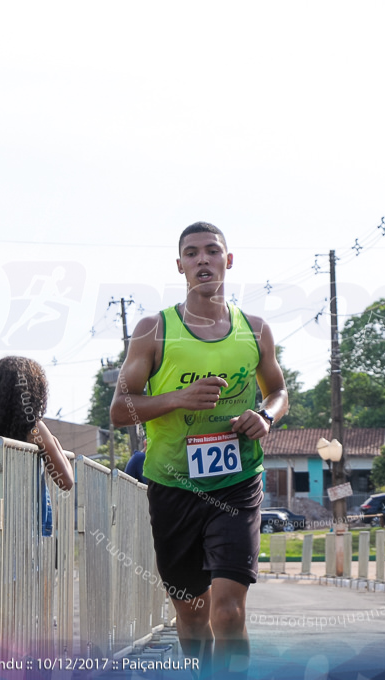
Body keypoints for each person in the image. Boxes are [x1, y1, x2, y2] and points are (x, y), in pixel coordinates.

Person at [110, 222, 288, 677]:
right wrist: (175, 399)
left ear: (228, 261)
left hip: (237, 482)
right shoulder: (155, 329)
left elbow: (278, 393)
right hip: (173, 485)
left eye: (212, 251)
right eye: (192, 253)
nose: (203, 260)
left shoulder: (256, 329)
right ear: (180, 266)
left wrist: (265, 416)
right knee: (192, 615)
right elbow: (119, 409)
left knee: (227, 611)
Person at [0, 356, 75, 654]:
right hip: (13, 534)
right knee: (10, 620)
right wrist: (49, 439)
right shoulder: (32, 428)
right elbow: (65, 479)